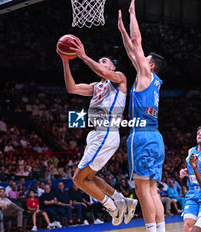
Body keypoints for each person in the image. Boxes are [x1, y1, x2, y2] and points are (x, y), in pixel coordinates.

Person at [57, 29, 137, 226]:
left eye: (104, 61)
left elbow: (103, 72)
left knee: (78, 179)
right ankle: (122, 199)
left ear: (112, 66)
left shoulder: (119, 78)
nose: (101, 64)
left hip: (107, 132)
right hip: (96, 135)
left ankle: (112, 207)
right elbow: (72, 88)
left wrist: (83, 56)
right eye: (100, 61)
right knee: (90, 177)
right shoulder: (96, 86)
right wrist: (66, 62)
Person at [118, 0, 166, 231]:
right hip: (156, 137)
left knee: (141, 189)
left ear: (151, 65)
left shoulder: (145, 75)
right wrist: (121, 31)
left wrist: (132, 15)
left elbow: (136, 43)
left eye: (145, 58)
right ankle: (161, 229)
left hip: (142, 136)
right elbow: (131, 49)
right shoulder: (152, 81)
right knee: (152, 189)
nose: (140, 58)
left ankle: (150, 230)